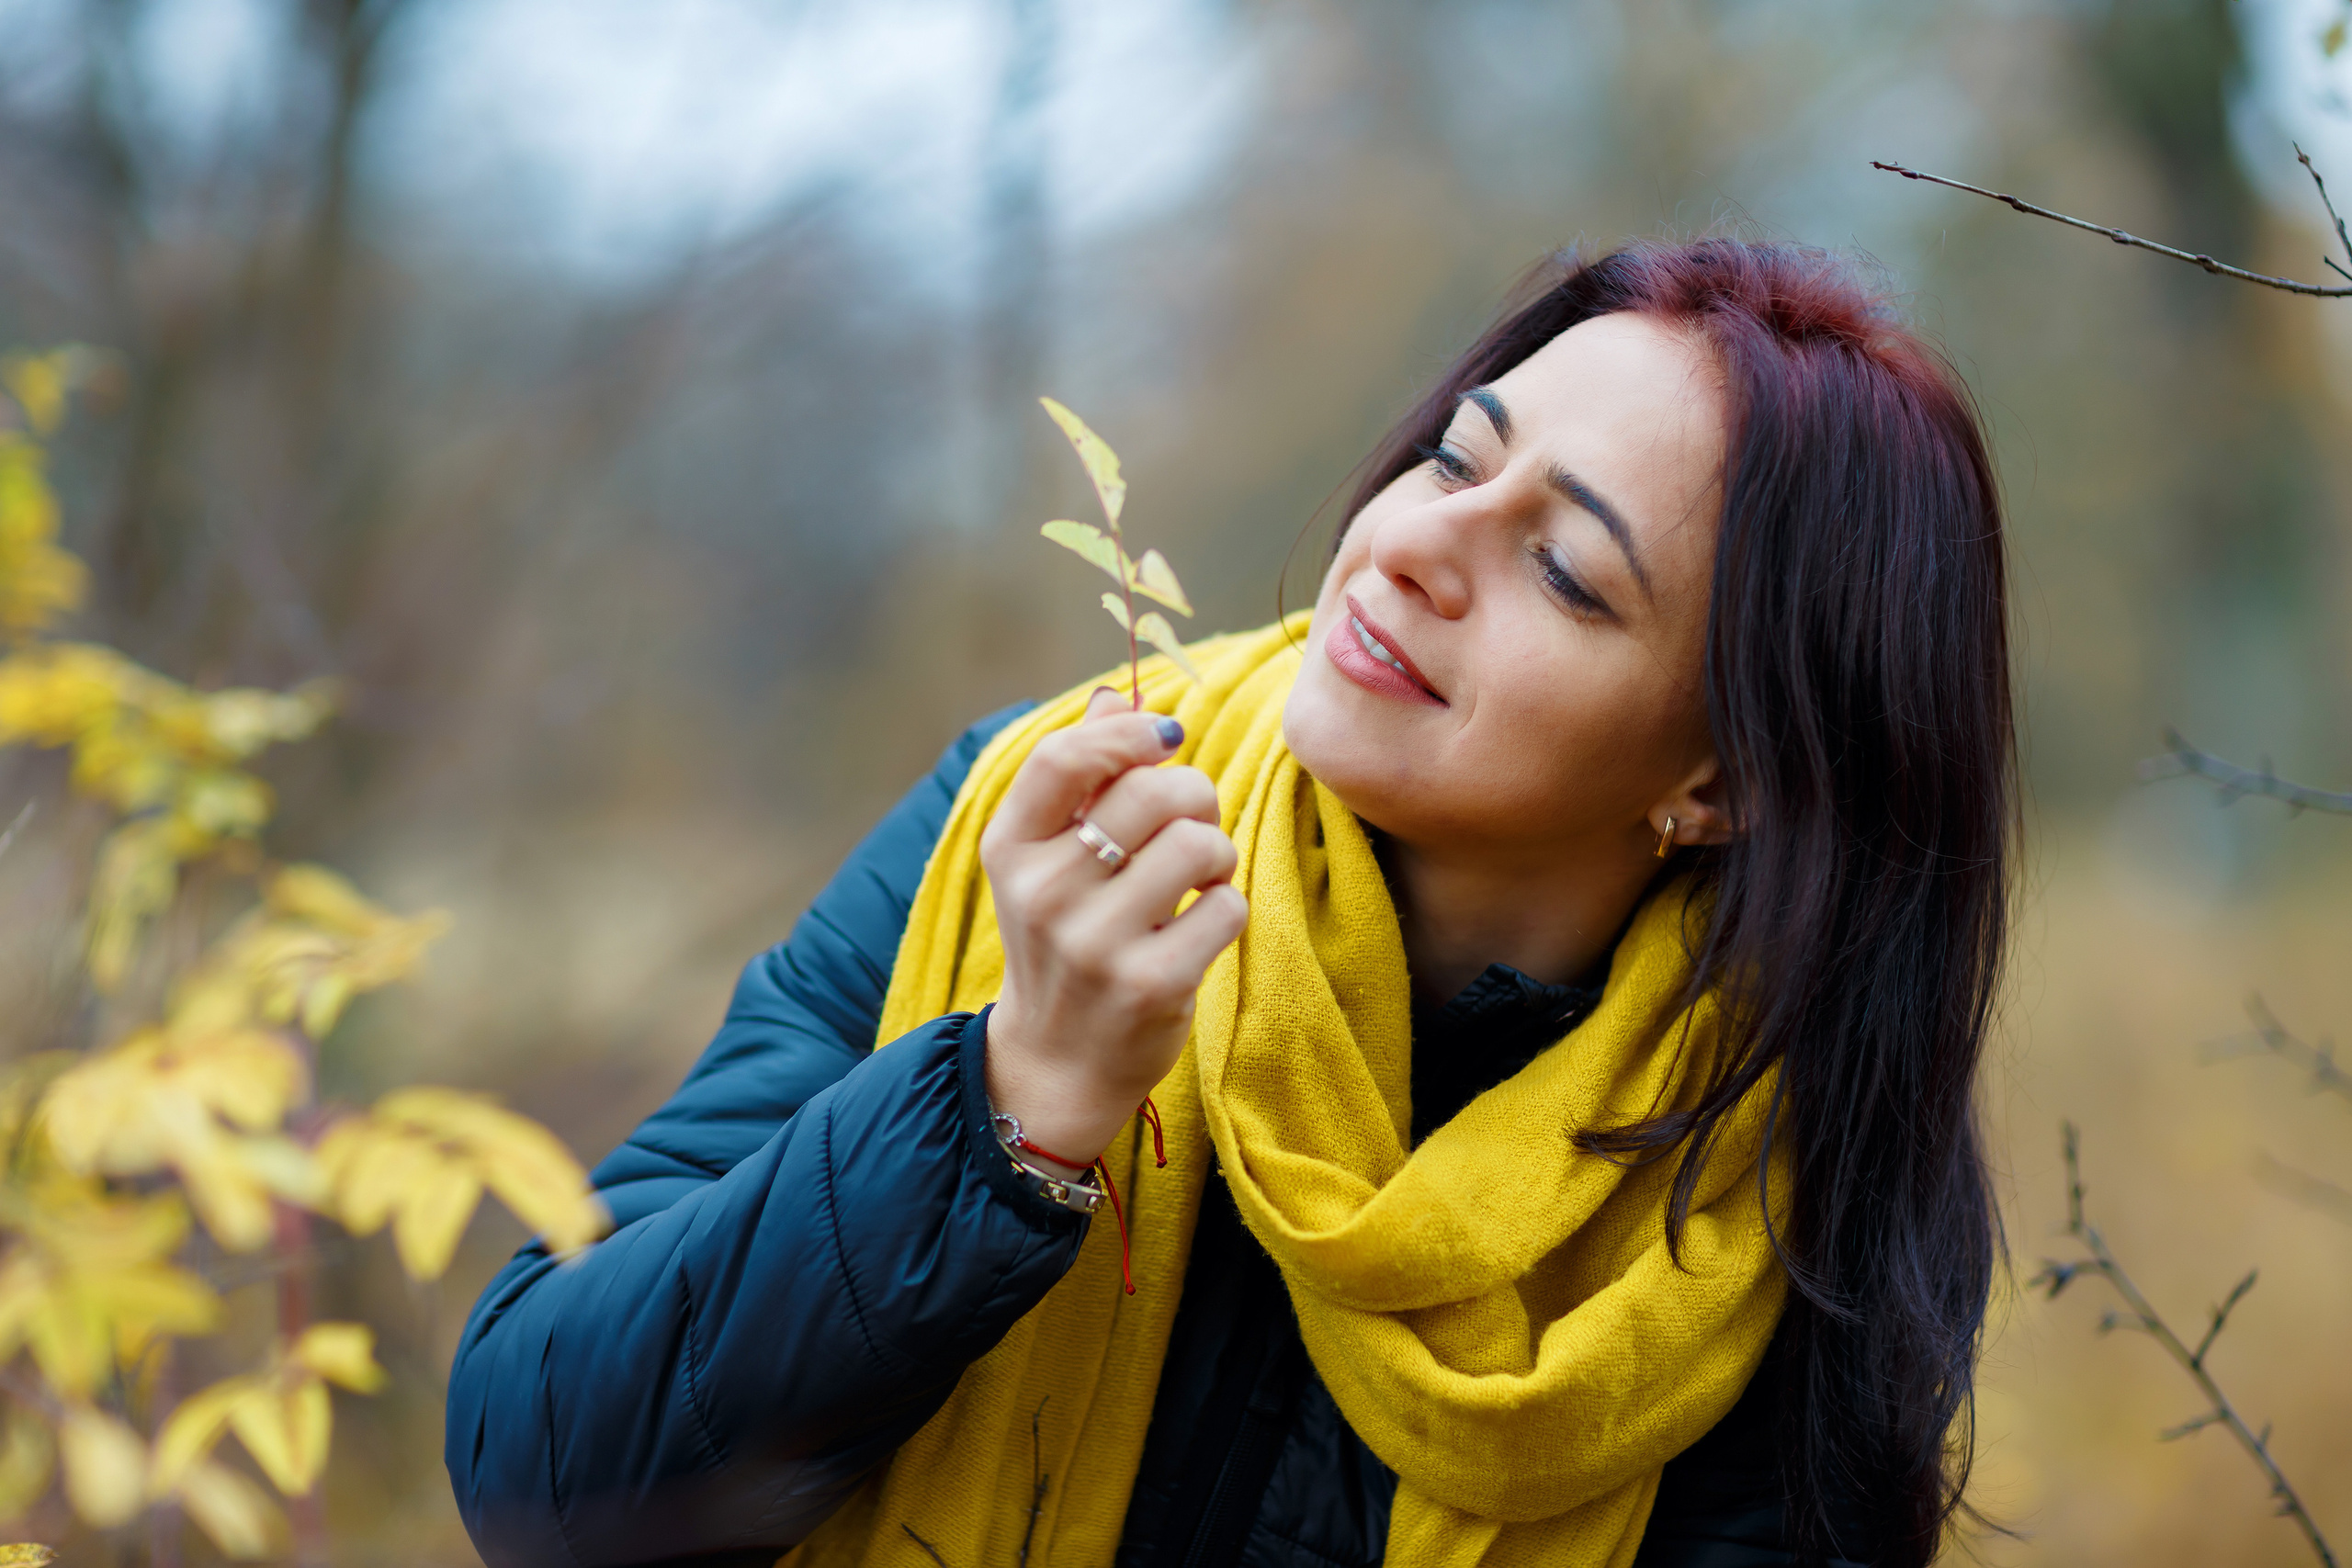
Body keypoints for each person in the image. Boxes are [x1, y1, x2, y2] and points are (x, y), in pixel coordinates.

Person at [446, 236, 2012, 1568]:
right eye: (1459, 458)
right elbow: (540, 1469)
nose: (1411, 545)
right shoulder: (1031, 830)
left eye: (1564, 570)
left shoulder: (1757, 1197)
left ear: (1722, 783)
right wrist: (1008, 1106)